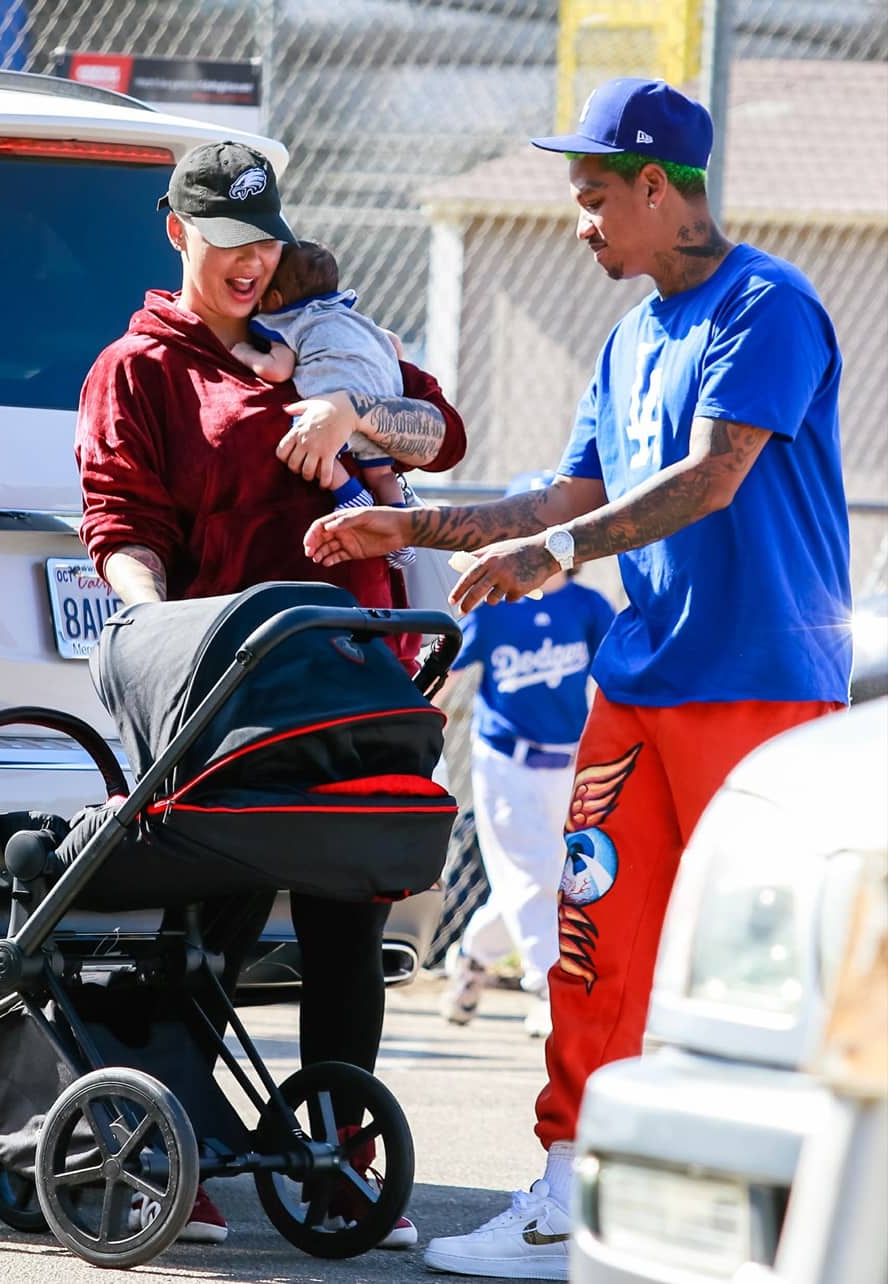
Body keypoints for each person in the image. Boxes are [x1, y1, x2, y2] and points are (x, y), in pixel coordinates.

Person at [303, 77, 851, 1279]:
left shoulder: (770, 306)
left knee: (763, 960)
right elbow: (563, 499)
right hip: (639, 686)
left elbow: (712, 475)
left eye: (596, 196)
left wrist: (554, 553)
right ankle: (568, 1190)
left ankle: (807, 1215)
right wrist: (418, 531)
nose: (582, 220)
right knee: (590, 931)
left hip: (759, 688)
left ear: (660, 188)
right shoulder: (628, 336)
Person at [75, 138, 466, 1248]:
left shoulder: (325, 337)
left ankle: (339, 1165)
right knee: (213, 925)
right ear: (176, 232)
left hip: (352, 679)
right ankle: (167, 1160)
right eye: (228, 244)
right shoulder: (141, 369)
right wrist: (155, 624)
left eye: (267, 243)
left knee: (348, 929)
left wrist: (355, 418)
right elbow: (121, 524)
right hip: (234, 686)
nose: (251, 266)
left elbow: (442, 432)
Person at [438, 471, 614, 1040]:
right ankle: (549, 988)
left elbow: (614, 676)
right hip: (505, 761)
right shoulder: (494, 607)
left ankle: (471, 955)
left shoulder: (588, 606)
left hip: (570, 763)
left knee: (538, 876)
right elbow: (449, 670)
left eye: (554, 531)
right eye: (534, 530)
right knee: (536, 875)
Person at [232, 240, 416, 566]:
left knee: (303, 438)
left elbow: (277, 369)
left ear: (273, 299)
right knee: (383, 474)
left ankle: (348, 493)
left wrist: (244, 352)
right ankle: (401, 528)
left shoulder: (288, 321)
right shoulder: (348, 316)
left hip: (336, 415)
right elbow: (394, 344)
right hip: (383, 407)